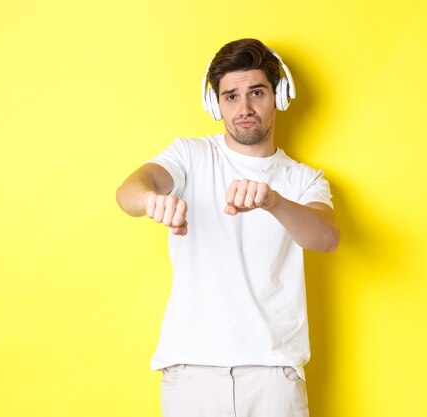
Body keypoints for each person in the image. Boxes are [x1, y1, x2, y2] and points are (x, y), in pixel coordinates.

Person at [116, 38, 339, 417]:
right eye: (231, 96)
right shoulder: (190, 155)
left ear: (279, 95)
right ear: (215, 104)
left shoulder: (304, 179)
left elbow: (327, 237)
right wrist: (151, 200)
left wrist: (273, 201)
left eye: (256, 92)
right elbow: (129, 190)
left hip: (272, 373)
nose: (245, 108)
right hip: (191, 370)